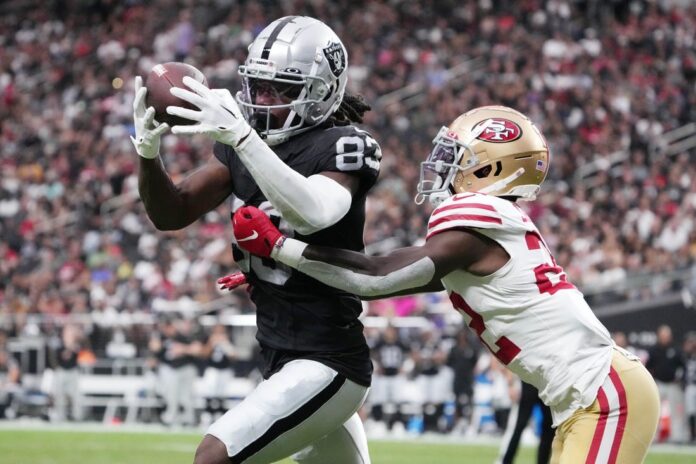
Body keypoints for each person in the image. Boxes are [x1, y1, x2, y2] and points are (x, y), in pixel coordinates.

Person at [228, 106, 660, 463]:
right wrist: (274, 273)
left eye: (457, 156)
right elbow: (373, 278)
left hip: (602, 395)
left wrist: (281, 247)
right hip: (583, 399)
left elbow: (375, 277)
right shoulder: (486, 234)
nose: (442, 164)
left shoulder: (477, 223)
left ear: (490, 167)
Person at [131, 15, 380, 464]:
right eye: (259, 86)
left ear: (322, 91)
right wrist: (148, 155)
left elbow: (314, 212)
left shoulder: (342, 144)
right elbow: (172, 212)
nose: (263, 99)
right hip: (280, 354)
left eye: (280, 89)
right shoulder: (240, 146)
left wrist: (244, 139)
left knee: (214, 457)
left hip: (328, 360)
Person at [496, 380, 554, 464]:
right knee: (519, 426)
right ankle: (506, 461)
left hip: (545, 383)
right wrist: (511, 385)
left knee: (549, 427)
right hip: (533, 382)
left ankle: (542, 462)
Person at [646, 325, 687, 443]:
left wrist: (680, 379)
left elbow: (683, 366)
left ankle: (677, 437)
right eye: (662, 336)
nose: (664, 338)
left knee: (676, 412)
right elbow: (648, 367)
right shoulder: (653, 350)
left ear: (670, 336)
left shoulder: (676, 350)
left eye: (666, 336)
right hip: (658, 384)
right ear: (659, 336)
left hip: (673, 384)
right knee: (655, 411)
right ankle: (653, 437)